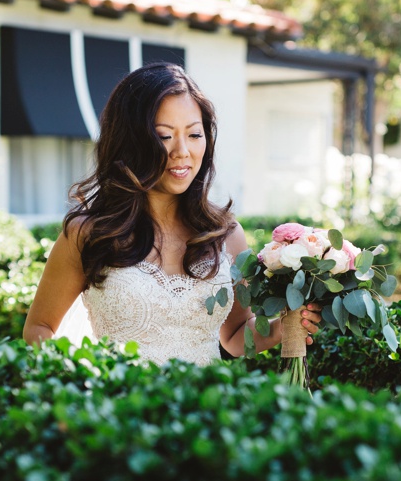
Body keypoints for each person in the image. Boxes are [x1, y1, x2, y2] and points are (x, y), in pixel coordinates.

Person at [23, 62, 321, 365]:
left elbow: (234, 338)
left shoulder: (226, 235)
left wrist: (283, 327)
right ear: (130, 141)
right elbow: (39, 328)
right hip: (118, 405)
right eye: (164, 136)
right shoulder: (88, 233)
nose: (182, 151)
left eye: (194, 134)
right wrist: (86, 379)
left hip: (207, 408)